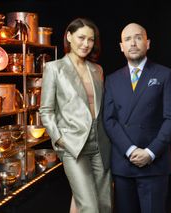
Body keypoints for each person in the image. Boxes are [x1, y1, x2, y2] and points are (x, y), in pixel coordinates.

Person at [103, 23, 171, 213]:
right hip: (124, 163)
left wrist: (150, 152)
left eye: (138, 37)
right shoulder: (112, 80)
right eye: (127, 39)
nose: (133, 43)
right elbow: (109, 120)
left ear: (148, 43)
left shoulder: (164, 75)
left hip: (155, 163)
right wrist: (130, 150)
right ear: (121, 46)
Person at [39, 17, 112, 213]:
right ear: (69, 36)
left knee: (105, 205)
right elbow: (46, 111)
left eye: (91, 39)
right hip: (73, 145)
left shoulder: (97, 70)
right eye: (81, 37)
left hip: (101, 143)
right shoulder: (54, 69)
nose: (86, 44)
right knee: (89, 206)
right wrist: (59, 139)